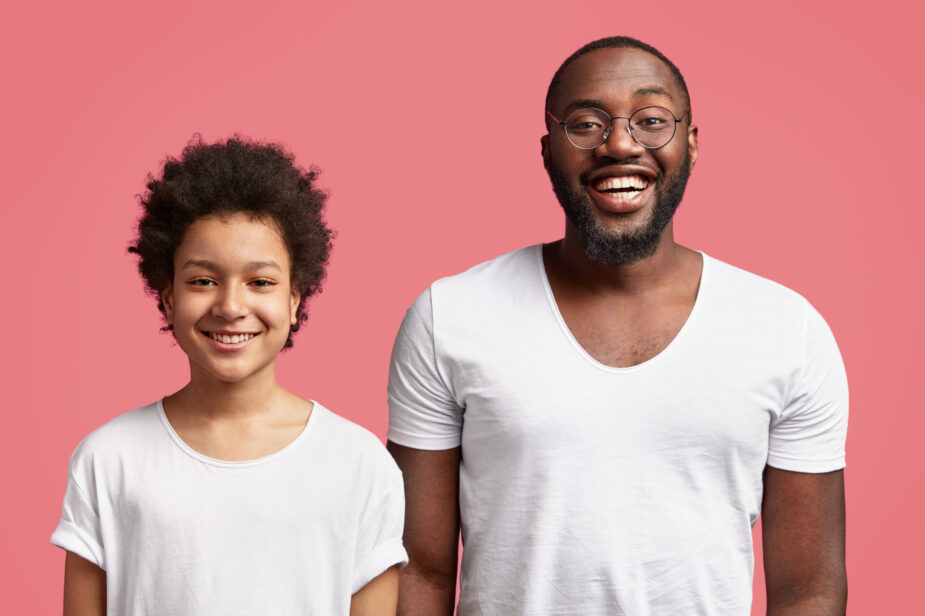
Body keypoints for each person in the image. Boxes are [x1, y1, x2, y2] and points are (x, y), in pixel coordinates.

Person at [387, 36, 848, 615]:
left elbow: (809, 590)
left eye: (652, 120)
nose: (621, 144)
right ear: (548, 150)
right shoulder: (449, 317)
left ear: (693, 144)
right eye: (586, 124)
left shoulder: (787, 331)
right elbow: (420, 571)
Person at [52, 136, 407, 615]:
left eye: (260, 282)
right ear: (168, 296)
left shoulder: (360, 464)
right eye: (203, 280)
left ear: (295, 298)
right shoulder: (108, 459)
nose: (231, 306)